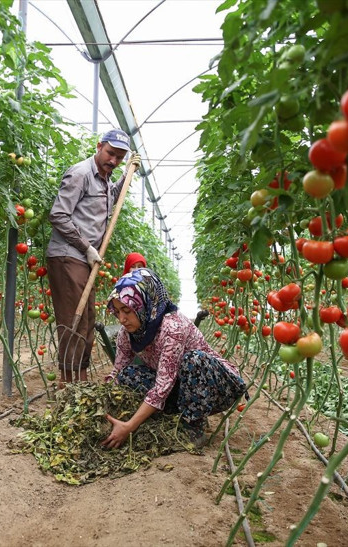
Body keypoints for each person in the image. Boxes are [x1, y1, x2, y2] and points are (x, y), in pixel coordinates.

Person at [101, 268, 247, 449]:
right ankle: (177, 413)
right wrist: (100, 402)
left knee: (193, 360)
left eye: (127, 310)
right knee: (127, 375)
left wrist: (129, 426)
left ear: (145, 304)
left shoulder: (173, 327)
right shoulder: (127, 333)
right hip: (179, 385)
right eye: (117, 312)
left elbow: (163, 384)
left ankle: (195, 425)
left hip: (216, 387)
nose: (122, 319)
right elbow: (117, 371)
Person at [46, 129, 140, 384]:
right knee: (72, 319)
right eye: (111, 154)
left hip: (85, 258)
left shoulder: (106, 179)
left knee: (87, 319)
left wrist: (128, 173)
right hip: (68, 255)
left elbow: (114, 198)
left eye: (120, 157)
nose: (113, 161)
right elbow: (58, 215)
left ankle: (82, 379)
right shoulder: (81, 174)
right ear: (99, 146)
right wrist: (86, 247)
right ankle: (68, 381)